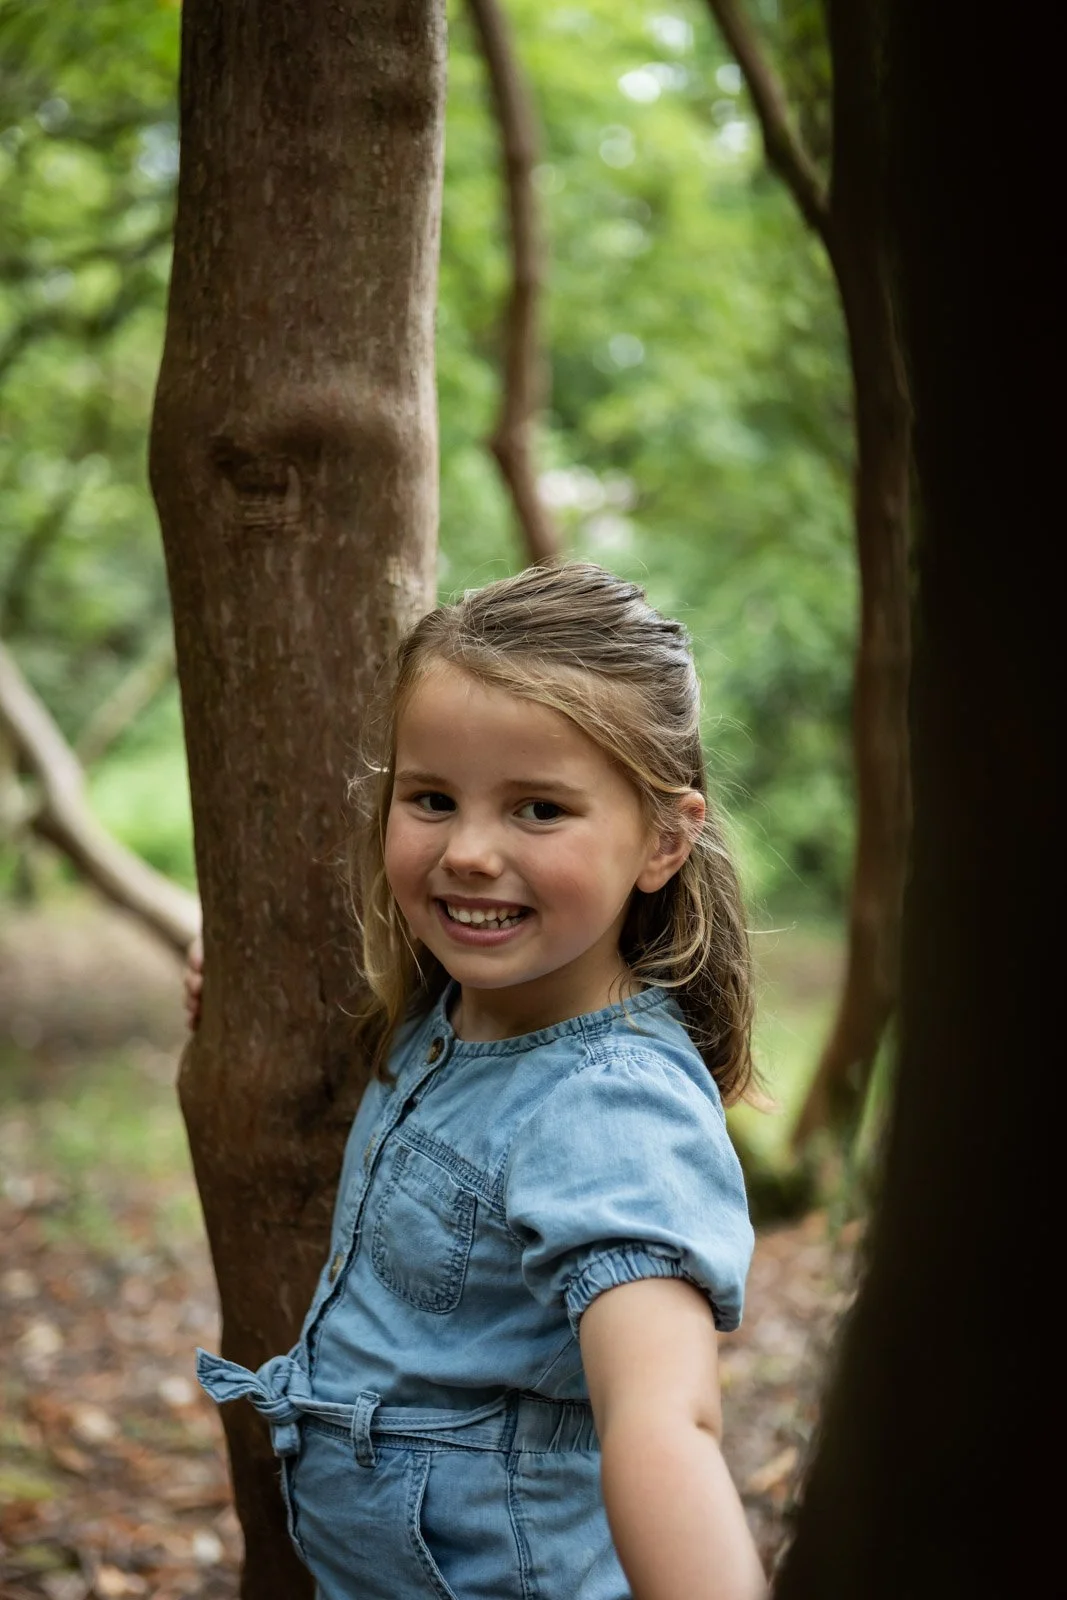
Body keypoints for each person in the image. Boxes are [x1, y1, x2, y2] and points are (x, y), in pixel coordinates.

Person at [190, 562, 768, 1600]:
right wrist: (231, 979)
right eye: (431, 799)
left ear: (664, 839)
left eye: (537, 808)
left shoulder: (611, 1107)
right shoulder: (453, 1003)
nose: (466, 852)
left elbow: (663, 1420)